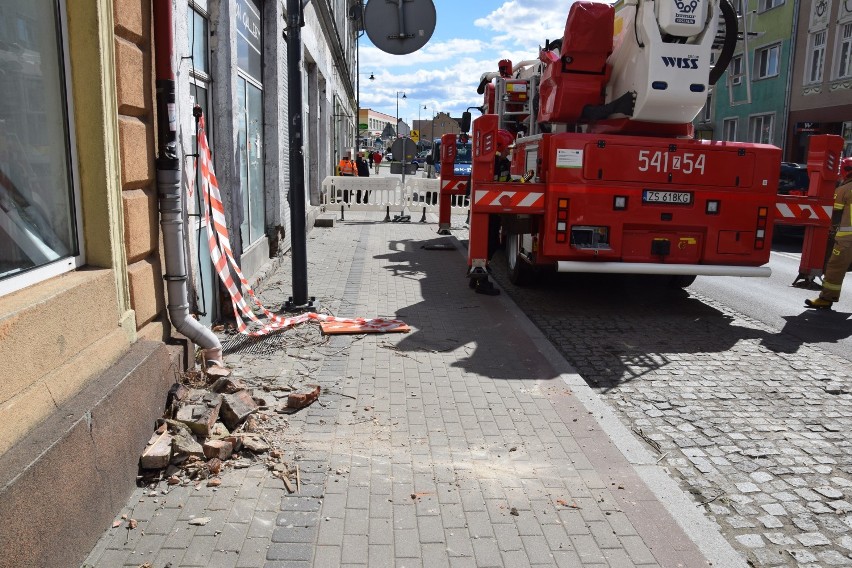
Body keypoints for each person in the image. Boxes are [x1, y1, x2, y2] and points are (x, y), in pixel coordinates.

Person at [806, 156, 852, 309]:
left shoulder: (844, 190)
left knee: (835, 268)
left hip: (847, 239)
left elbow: (833, 215)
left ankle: (826, 298)